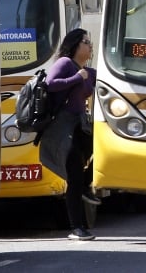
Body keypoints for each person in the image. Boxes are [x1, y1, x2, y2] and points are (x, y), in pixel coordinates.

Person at [39, 28, 101, 241]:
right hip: (64, 129)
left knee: (105, 150)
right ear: (75, 45)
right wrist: (76, 78)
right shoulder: (65, 63)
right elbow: (50, 84)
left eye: (90, 42)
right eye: (86, 42)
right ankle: (77, 228)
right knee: (74, 177)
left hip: (80, 127)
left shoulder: (87, 70)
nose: (90, 46)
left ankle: (86, 186)